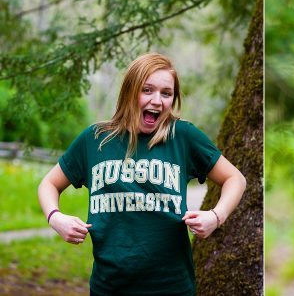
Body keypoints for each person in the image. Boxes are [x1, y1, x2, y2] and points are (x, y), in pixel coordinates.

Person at [38, 52, 246, 296]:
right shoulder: (94, 140)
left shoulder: (183, 137)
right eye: (147, 90)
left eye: (166, 93)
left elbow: (235, 179)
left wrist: (216, 216)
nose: (157, 101)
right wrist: (55, 218)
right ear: (130, 91)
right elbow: (48, 184)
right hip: (109, 288)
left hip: (171, 288)